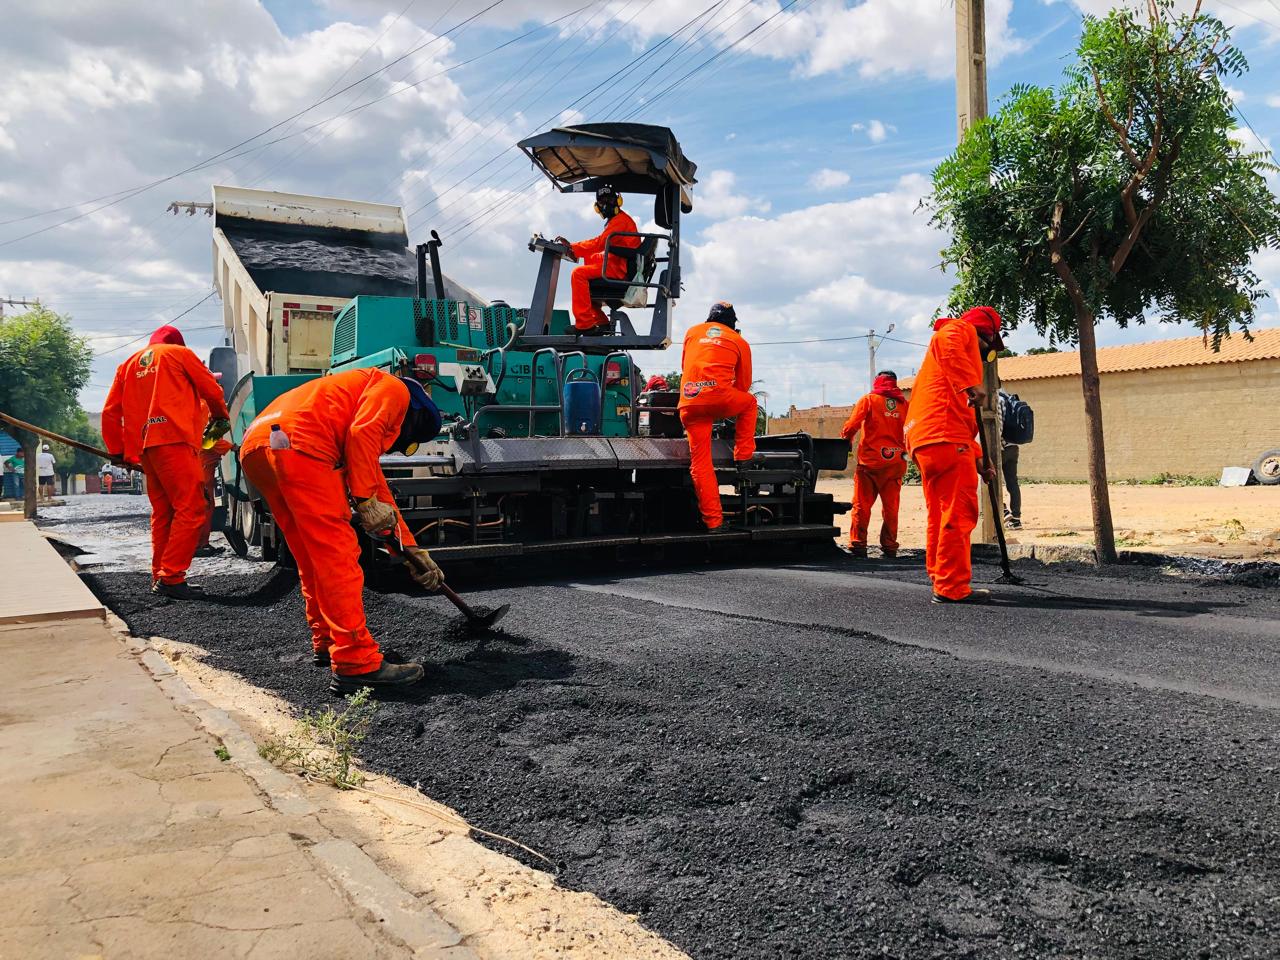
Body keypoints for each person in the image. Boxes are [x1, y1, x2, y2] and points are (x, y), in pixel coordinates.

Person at [239, 368, 444, 696]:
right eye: (408, 445)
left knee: (311, 555)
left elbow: (377, 488)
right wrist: (364, 501)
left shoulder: (347, 403)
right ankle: (356, 662)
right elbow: (364, 436)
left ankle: (327, 640)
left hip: (259, 445)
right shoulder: (396, 390)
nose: (397, 449)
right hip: (302, 441)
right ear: (415, 418)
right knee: (338, 555)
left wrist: (411, 551)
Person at [102, 324, 230, 599]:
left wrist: (118, 451)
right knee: (192, 508)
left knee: (164, 512)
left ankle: (160, 573)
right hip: (175, 440)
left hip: (146, 447)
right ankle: (171, 577)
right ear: (178, 343)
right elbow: (212, 390)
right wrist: (221, 417)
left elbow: (110, 412)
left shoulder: (127, 365)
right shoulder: (180, 354)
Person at [904, 306, 1004, 604]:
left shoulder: (942, 382)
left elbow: (958, 420)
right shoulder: (960, 330)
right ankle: (952, 586)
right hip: (944, 437)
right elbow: (945, 340)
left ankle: (941, 577)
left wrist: (978, 458)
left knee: (941, 514)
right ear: (984, 335)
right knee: (958, 514)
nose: (985, 356)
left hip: (930, 439)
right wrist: (971, 383)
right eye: (988, 349)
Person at [678, 301, 756, 532]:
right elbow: (744, 384)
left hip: (691, 401)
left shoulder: (692, 333)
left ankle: (714, 522)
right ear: (732, 322)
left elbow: (685, 366)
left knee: (701, 465)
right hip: (720, 398)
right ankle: (743, 456)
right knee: (750, 403)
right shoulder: (738, 340)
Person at [840, 370, 909, 558]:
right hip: (896, 463)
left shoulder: (869, 400)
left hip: (869, 464)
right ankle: (890, 547)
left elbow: (851, 425)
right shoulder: (905, 405)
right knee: (891, 508)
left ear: (877, 382)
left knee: (861, 506)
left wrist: (846, 439)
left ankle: (858, 545)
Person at [555, 184, 641, 335]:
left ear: (618, 201)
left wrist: (573, 248)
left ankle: (584, 324)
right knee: (590, 258)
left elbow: (600, 243)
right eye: (602, 202)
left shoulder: (620, 221)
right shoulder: (618, 220)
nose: (605, 205)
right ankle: (601, 321)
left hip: (619, 268)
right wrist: (576, 251)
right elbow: (601, 243)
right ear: (597, 207)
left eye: (609, 200)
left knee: (578, 274)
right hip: (619, 263)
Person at [195, 393, 233, 557]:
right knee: (204, 505)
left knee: (206, 504)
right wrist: (232, 447)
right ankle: (198, 544)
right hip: (202, 464)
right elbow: (207, 441)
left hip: (204, 463)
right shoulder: (205, 407)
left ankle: (202, 543)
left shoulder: (201, 405)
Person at [998, 388, 1022, 529]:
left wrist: (998, 446)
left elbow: (998, 426)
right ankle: (1016, 519)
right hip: (1014, 447)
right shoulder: (1009, 397)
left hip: (1002, 447)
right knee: (1012, 483)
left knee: (991, 481)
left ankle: (1004, 510)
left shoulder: (996, 399)